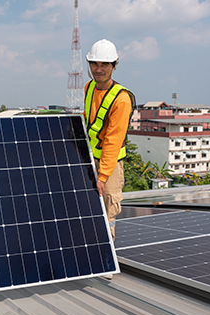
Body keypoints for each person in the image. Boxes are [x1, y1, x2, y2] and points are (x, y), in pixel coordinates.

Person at [83, 39, 135, 243]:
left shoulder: (121, 99)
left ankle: (106, 259)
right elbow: (89, 120)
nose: (98, 69)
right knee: (88, 209)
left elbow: (113, 140)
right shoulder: (89, 88)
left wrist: (103, 177)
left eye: (104, 64)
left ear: (114, 66)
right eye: (94, 63)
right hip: (89, 159)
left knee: (107, 211)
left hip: (110, 166)